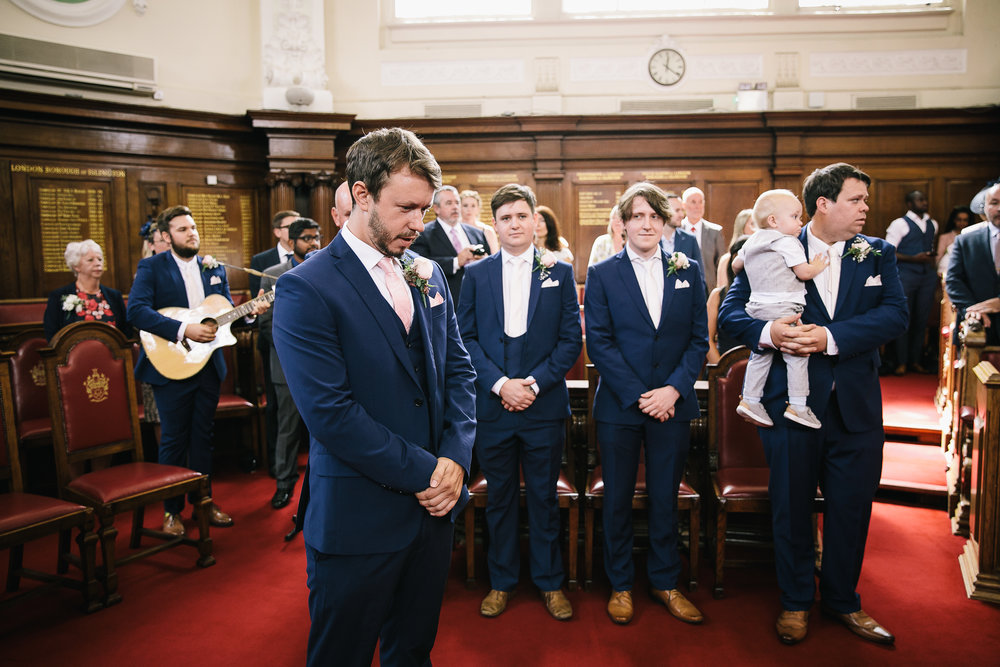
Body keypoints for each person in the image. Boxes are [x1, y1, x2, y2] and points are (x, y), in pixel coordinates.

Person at [271, 127, 476, 667]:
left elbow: (458, 371)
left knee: (412, 651)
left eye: (425, 210)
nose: (419, 223)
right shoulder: (306, 287)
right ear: (361, 195)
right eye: (406, 208)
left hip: (433, 514)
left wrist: (455, 457)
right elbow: (330, 414)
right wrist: (429, 472)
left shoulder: (428, 273)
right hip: (358, 518)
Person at [719, 162, 907, 647]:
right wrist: (767, 332)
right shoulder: (774, 245)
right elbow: (730, 313)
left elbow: (895, 316)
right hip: (791, 406)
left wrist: (829, 337)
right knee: (791, 506)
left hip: (856, 408)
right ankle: (796, 601)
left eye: (866, 200)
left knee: (852, 509)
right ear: (823, 204)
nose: (866, 208)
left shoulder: (877, 253)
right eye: (856, 199)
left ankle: (844, 600)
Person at [457, 183, 582, 621]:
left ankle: (550, 583)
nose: (514, 223)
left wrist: (533, 383)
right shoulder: (475, 274)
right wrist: (498, 385)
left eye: (521, 216)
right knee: (502, 498)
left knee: (545, 499)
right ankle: (501, 581)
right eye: (505, 217)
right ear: (495, 225)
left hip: (543, 406)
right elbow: (465, 339)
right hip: (492, 408)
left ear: (535, 222)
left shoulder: (559, 272)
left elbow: (571, 340)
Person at [584, 181, 707, 627]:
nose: (647, 223)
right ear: (623, 223)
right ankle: (620, 584)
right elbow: (598, 342)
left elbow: (698, 340)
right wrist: (641, 396)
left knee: (664, 498)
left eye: (655, 215)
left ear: (666, 221)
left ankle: (665, 581)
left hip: (672, 405)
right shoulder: (602, 274)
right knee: (617, 498)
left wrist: (673, 390)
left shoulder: (687, 269)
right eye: (638, 216)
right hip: (621, 407)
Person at [127, 205, 269, 537]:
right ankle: (171, 511)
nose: (192, 233)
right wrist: (183, 330)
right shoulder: (151, 267)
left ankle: (203, 501)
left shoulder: (213, 267)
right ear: (165, 236)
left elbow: (222, 314)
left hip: (207, 365)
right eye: (182, 229)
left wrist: (250, 312)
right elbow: (136, 312)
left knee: (203, 438)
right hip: (170, 362)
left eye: (193, 227)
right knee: (174, 440)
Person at [732, 190, 829, 430]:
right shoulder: (787, 241)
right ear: (774, 221)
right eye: (795, 216)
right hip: (785, 306)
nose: (800, 222)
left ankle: (751, 399)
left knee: (760, 354)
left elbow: (736, 265)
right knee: (796, 355)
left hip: (756, 306)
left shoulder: (752, 240)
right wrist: (817, 265)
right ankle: (798, 405)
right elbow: (803, 272)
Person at [258, 217, 322, 510]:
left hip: (322, 366)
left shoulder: (324, 268)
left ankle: (323, 487)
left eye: (317, 237)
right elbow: (267, 324)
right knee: (288, 428)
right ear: (292, 241)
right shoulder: (272, 274)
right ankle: (284, 485)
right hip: (286, 367)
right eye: (307, 238)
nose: (314, 243)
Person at [885, 190, 938, 375]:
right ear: (909, 204)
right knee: (904, 318)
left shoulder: (933, 224)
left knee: (921, 319)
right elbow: (889, 252)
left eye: (925, 199)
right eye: (919, 200)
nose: (924, 202)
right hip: (906, 275)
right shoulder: (899, 224)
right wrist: (913, 258)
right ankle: (901, 361)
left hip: (927, 276)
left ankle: (916, 360)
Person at [410, 184, 490, 302]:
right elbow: (418, 268)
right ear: (436, 208)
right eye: (449, 203)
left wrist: (484, 260)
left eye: (457, 203)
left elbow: (489, 261)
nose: (455, 207)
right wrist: (456, 261)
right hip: (448, 301)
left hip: (480, 298)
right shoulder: (423, 234)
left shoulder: (477, 233)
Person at [43, 239, 131, 341]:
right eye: (90, 260)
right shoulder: (58, 296)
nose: (98, 263)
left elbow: (126, 333)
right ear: (76, 266)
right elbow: (52, 335)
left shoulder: (114, 296)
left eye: (100, 259)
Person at [945, 182, 1000, 344]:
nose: (999, 209)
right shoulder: (966, 240)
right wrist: (972, 309)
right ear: (985, 207)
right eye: (994, 203)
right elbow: (953, 280)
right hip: (977, 325)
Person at [706, 236, 749, 365]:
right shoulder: (718, 296)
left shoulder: (768, 297)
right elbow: (706, 337)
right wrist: (722, 369)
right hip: (723, 367)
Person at [681, 186, 727, 291]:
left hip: (708, 288)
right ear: (684, 205)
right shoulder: (677, 230)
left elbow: (721, 263)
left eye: (700, 202)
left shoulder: (715, 231)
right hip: (682, 285)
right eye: (693, 202)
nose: (698, 206)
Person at [250, 210, 300, 295]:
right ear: (277, 232)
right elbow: (257, 297)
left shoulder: (308, 257)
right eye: (292, 227)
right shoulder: (260, 260)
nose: (298, 231)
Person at [716, 208, 756, 290]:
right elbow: (723, 292)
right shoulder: (726, 260)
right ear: (742, 226)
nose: (756, 229)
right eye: (752, 224)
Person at [936, 205, 973, 277]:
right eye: (959, 219)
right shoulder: (945, 237)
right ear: (954, 220)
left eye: (965, 220)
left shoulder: (973, 236)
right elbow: (938, 257)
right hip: (948, 271)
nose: (962, 223)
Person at [460, 189, 500, 254]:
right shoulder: (454, 230)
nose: (469, 209)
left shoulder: (487, 230)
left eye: (473, 206)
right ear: (459, 207)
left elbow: (495, 256)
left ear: (478, 208)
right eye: (465, 205)